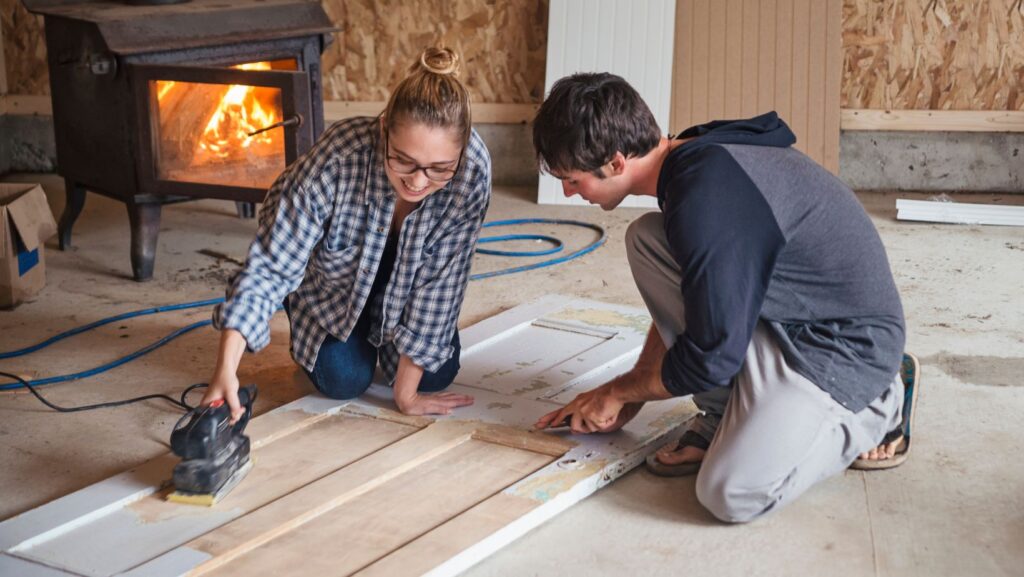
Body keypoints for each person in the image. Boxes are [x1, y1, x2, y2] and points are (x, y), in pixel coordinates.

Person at [532, 72, 915, 523]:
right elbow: (704, 294)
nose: (567, 193)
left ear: (616, 162)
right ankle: (723, 413)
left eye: (574, 180)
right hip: (787, 313)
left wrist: (621, 392)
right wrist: (638, 383)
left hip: (843, 347)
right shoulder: (691, 159)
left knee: (731, 493)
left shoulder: (706, 197)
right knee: (649, 240)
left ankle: (884, 401)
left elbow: (712, 356)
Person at [202, 47, 490, 422]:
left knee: (435, 374)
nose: (418, 181)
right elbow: (271, 265)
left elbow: (443, 283)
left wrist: (406, 395)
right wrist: (226, 368)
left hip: (407, 290)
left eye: (438, 169)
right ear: (384, 128)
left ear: (462, 151)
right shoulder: (336, 160)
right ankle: (300, 306)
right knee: (344, 380)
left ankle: (390, 347)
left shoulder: (472, 171)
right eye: (402, 160)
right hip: (334, 290)